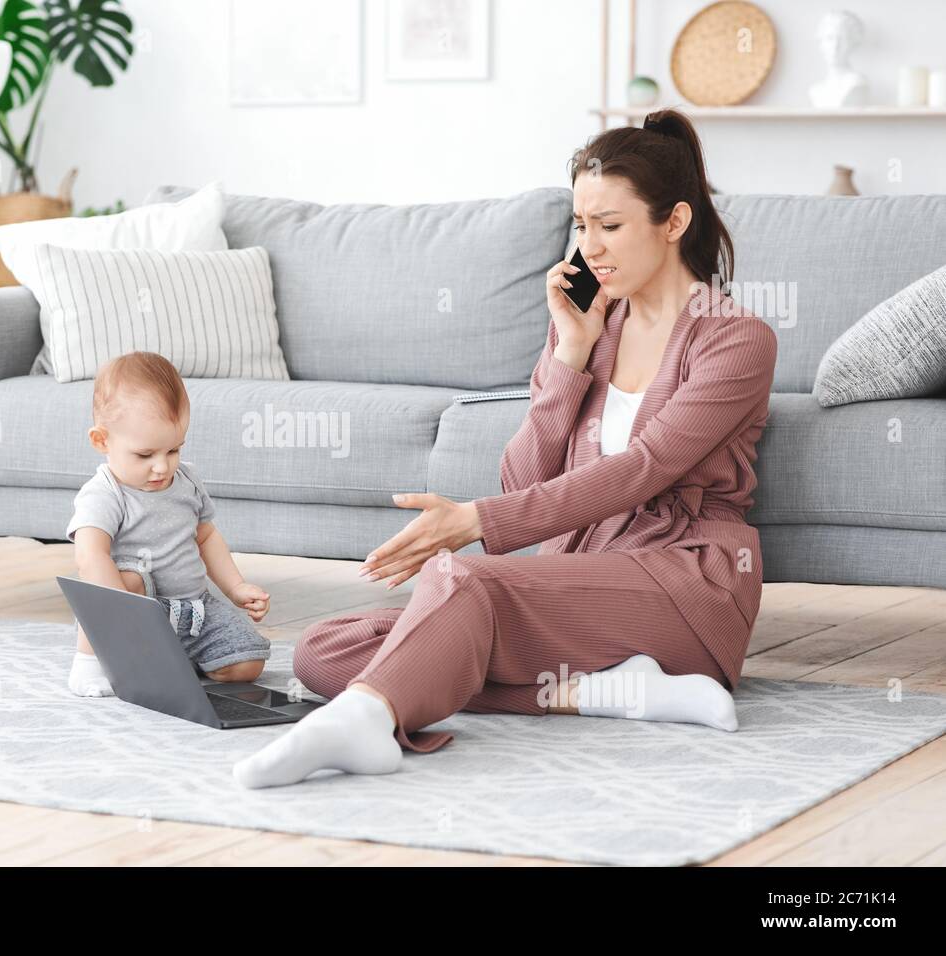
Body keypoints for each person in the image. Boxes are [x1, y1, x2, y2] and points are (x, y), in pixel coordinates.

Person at [233, 108, 778, 790]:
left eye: (610, 226)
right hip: (579, 580)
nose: (591, 248)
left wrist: (475, 521)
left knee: (461, 581)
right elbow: (523, 473)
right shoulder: (588, 327)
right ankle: (603, 691)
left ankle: (367, 723)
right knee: (325, 651)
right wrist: (570, 356)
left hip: (686, 584)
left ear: (673, 223)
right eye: (581, 226)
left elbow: (643, 470)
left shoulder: (736, 339)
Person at [65, 351, 272, 697]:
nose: (162, 467)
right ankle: (89, 665)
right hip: (137, 611)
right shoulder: (104, 493)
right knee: (126, 580)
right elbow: (90, 557)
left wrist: (236, 587)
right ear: (102, 441)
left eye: (173, 450)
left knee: (247, 664)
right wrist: (120, 610)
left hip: (196, 609)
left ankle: (175, 658)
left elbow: (206, 537)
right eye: (145, 455)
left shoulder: (187, 480)